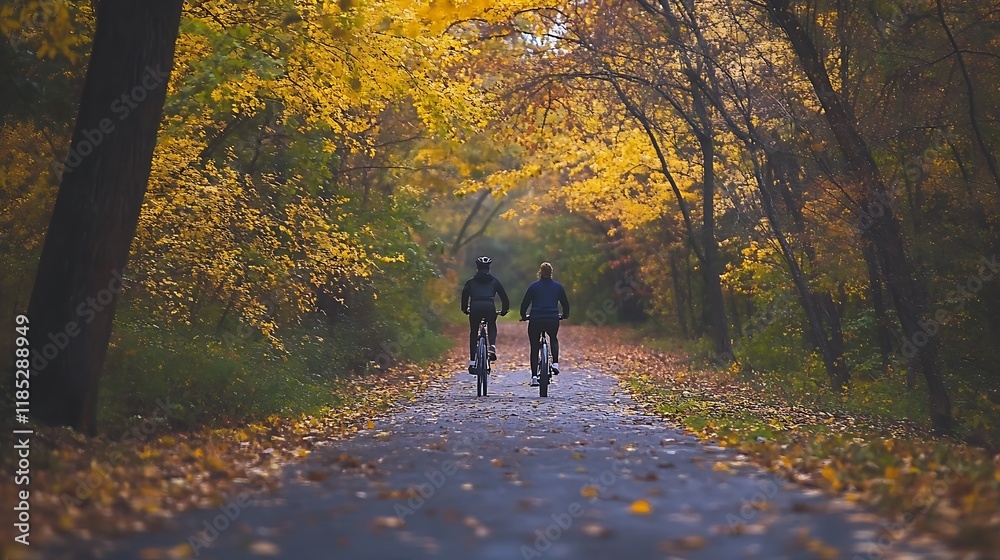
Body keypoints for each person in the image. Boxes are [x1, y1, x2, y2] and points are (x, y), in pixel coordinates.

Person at [519, 262, 570, 386]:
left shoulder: (533, 287)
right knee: (553, 337)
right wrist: (565, 315)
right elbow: (565, 304)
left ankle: (534, 377)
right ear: (551, 273)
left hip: (536, 318)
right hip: (552, 318)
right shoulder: (558, 287)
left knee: (535, 347)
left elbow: (524, 304)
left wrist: (523, 316)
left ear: (540, 273)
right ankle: (555, 363)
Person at [461, 256, 510, 373]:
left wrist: (464, 309)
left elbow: (464, 297)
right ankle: (492, 346)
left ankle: (473, 362)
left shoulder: (470, 282)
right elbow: (504, 298)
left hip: (475, 306)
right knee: (491, 324)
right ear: (489, 267)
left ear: (477, 267)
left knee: (474, 332)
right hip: (489, 306)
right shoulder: (494, 281)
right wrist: (504, 310)